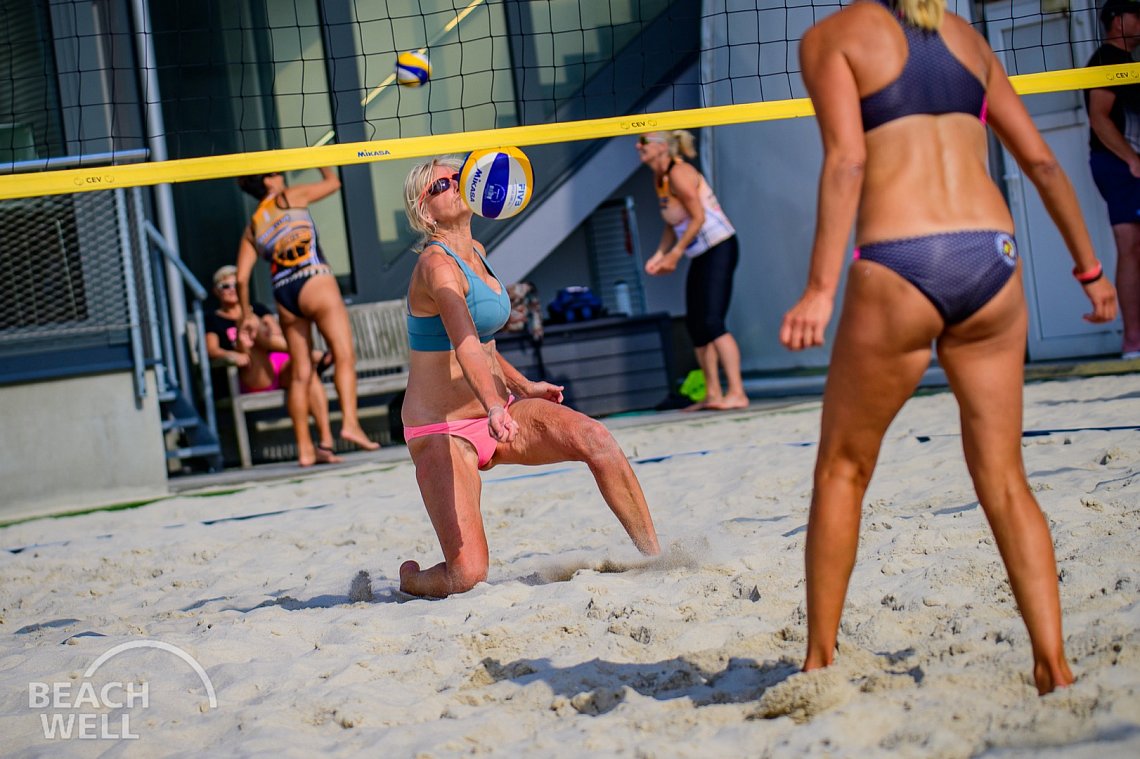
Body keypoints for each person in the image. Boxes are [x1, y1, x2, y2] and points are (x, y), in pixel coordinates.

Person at [781, 0, 1117, 695]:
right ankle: (1053, 665)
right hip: (992, 257)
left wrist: (818, 289)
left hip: (900, 258)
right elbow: (1042, 163)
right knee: (1005, 478)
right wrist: (1091, 270)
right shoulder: (967, 38)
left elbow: (846, 162)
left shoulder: (831, 36)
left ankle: (818, 665)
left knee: (843, 469)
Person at [397, 156, 661, 598]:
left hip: (498, 413)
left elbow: (485, 344)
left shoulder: (477, 253)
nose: (458, 184)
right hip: (443, 430)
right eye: (444, 184)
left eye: (460, 176)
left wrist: (522, 387)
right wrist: (494, 405)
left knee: (595, 439)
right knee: (467, 576)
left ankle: (655, 556)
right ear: (425, 211)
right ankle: (411, 579)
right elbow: (464, 345)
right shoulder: (436, 267)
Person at [235, 168, 379, 465]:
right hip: (313, 278)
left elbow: (240, 278)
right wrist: (318, 160)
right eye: (277, 172)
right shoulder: (289, 197)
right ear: (267, 180)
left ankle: (305, 449)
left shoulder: (252, 228)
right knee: (344, 356)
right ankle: (350, 424)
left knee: (301, 374)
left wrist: (245, 314)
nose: (282, 175)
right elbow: (333, 183)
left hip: (284, 292)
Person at [636, 130, 749, 411]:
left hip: (720, 246)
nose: (638, 145)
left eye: (645, 141)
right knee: (696, 325)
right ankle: (712, 394)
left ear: (663, 147)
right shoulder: (660, 178)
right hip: (701, 252)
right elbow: (673, 222)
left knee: (712, 321)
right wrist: (660, 255)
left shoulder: (679, 173)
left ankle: (737, 392)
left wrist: (675, 255)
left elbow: (698, 217)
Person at [204, 265, 341, 466]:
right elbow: (212, 350)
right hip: (252, 369)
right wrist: (232, 354)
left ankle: (325, 444)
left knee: (306, 372)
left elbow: (277, 334)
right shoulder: (213, 319)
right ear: (216, 291)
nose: (232, 289)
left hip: (279, 362)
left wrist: (262, 328)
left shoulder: (258, 309)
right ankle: (310, 354)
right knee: (248, 329)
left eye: (235, 285)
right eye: (226, 286)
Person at [1085, 0, 1140, 359]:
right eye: (1137, 14)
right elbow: (1099, 117)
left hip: (1126, 164)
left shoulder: (1128, 61)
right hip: (1120, 166)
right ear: (1117, 21)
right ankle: (1133, 341)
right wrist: (1131, 158)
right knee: (1130, 248)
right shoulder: (1107, 59)